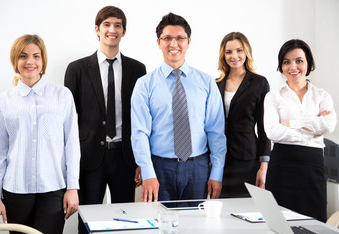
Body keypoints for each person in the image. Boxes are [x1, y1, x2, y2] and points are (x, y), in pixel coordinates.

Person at [0, 34, 80, 234]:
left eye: (36, 56)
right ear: (15, 61)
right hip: (15, 190)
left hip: (53, 188)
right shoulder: (2, 102)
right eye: (23, 56)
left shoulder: (62, 96)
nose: (30, 61)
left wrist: (73, 187)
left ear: (43, 61)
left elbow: (72, 145)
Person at [64, 6, 146, 234]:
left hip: (125, 158)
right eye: (107, 24)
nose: (112, 29)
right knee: (88, 224)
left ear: (124, 31)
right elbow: (69, 122)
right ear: (97, 29)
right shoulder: (77, 69)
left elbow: (141, 119)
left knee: (126, 222)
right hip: (89, 159)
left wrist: (140, 160)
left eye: (118, 25)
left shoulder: (137, 69)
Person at [131, 12, 226, 203]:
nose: (173, 44)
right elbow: (140, 133)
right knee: (159, 228)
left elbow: (216, 132)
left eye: (180, 38)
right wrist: (148, 172)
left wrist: (217, 172)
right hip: (159, 168)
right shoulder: (144, 84)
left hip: (198, 168)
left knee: (195, 228)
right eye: (167, 38)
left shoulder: (206, 83)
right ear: (158, 42)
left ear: (189, 41)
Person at [264, 39, 337, 222]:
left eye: (299, 60)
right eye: (286, 62)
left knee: (315, 223)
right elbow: (272, 132)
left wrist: (291, 124)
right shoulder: (273, 96)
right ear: (281, 66)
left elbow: (328, 125)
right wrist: (312, 129)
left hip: (313, 166)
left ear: (308, 63)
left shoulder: (321, 95)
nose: (293, 67)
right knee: (279, 224)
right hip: (282, 165)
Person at [216, 32, 271, 198]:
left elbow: (264, 127)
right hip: (220, 159)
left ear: (246, 52)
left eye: (239, 50)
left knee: (246, 210)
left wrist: (263, 166)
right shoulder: (216, 84)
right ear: (223, 55)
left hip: (247, 159)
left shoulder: (259, 83)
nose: (234, 56)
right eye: (229, 52)